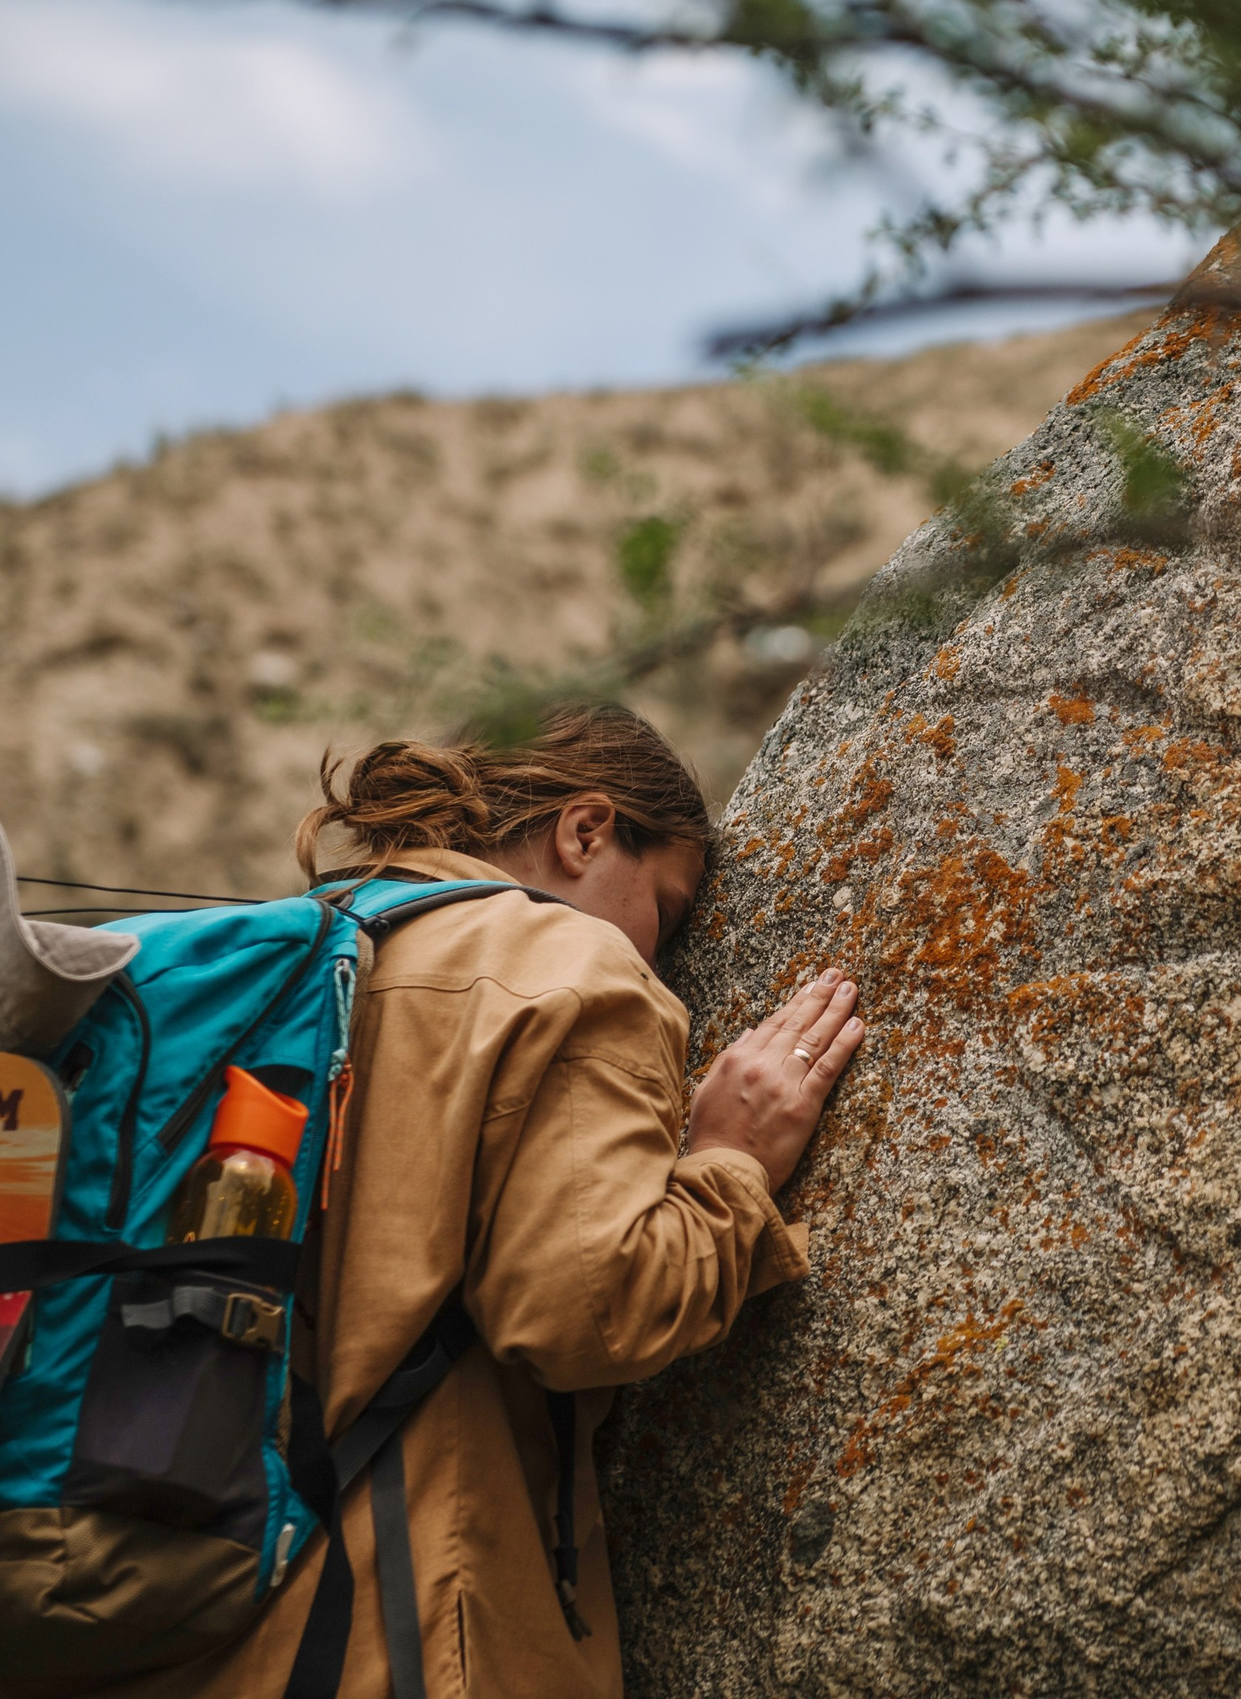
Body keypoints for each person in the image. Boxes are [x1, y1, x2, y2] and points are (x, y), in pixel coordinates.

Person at [45, 701, 860, 1699]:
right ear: (587, 829)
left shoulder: (258, 971)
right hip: (362, 1643)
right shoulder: (566, 965)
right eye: (671, 907)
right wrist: (730, 1162)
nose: (661, 951)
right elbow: (583, 1306)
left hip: (91, 1624)